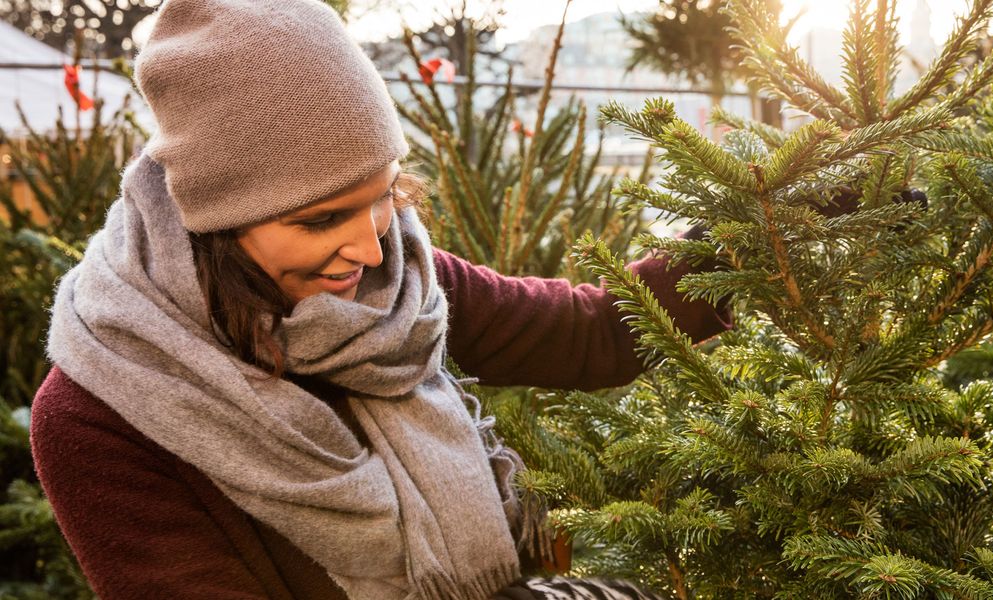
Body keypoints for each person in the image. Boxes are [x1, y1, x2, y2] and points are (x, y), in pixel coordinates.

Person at [27, 0, 730, 598]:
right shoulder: (97, 416)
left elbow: (597, 331)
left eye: (385, 196)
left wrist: (764, 222)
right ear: (218, 218)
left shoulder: (399, 282)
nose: (369, 248)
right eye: (321, 220)